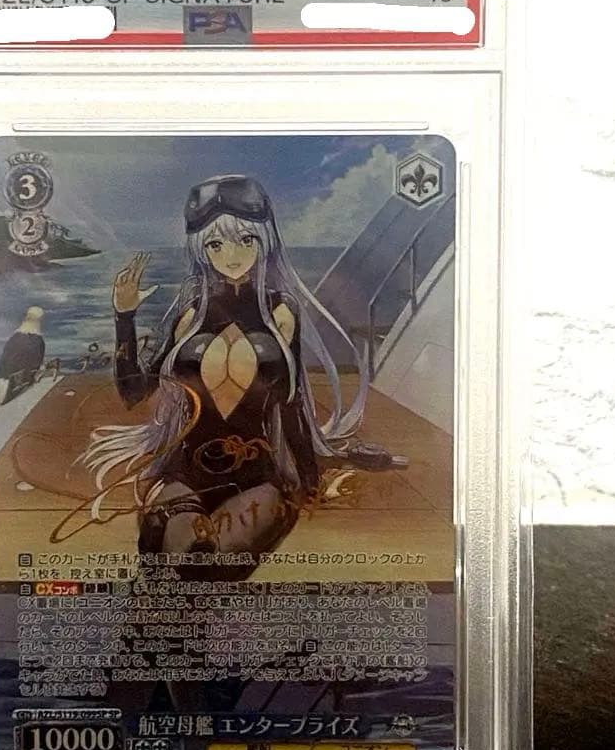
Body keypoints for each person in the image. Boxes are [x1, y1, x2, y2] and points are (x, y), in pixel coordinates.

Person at [84, 175, 398, 578]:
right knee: (163, 552)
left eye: (245, 240)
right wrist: (124, 317)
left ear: (265, 241)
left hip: (258, 480)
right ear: (200, 250)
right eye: (215, 244)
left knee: (211, 564)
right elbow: (133, 392)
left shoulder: (281, 313)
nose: (231, 255)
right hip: (185, 474)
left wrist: (310, 481)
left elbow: (292, 407)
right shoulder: (189, 316)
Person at [0, 305, 45, 409]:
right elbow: (33, 368)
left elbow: (3, 365)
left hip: (3, 382)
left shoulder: (14, 338)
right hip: (16, 384)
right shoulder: (38, 341)